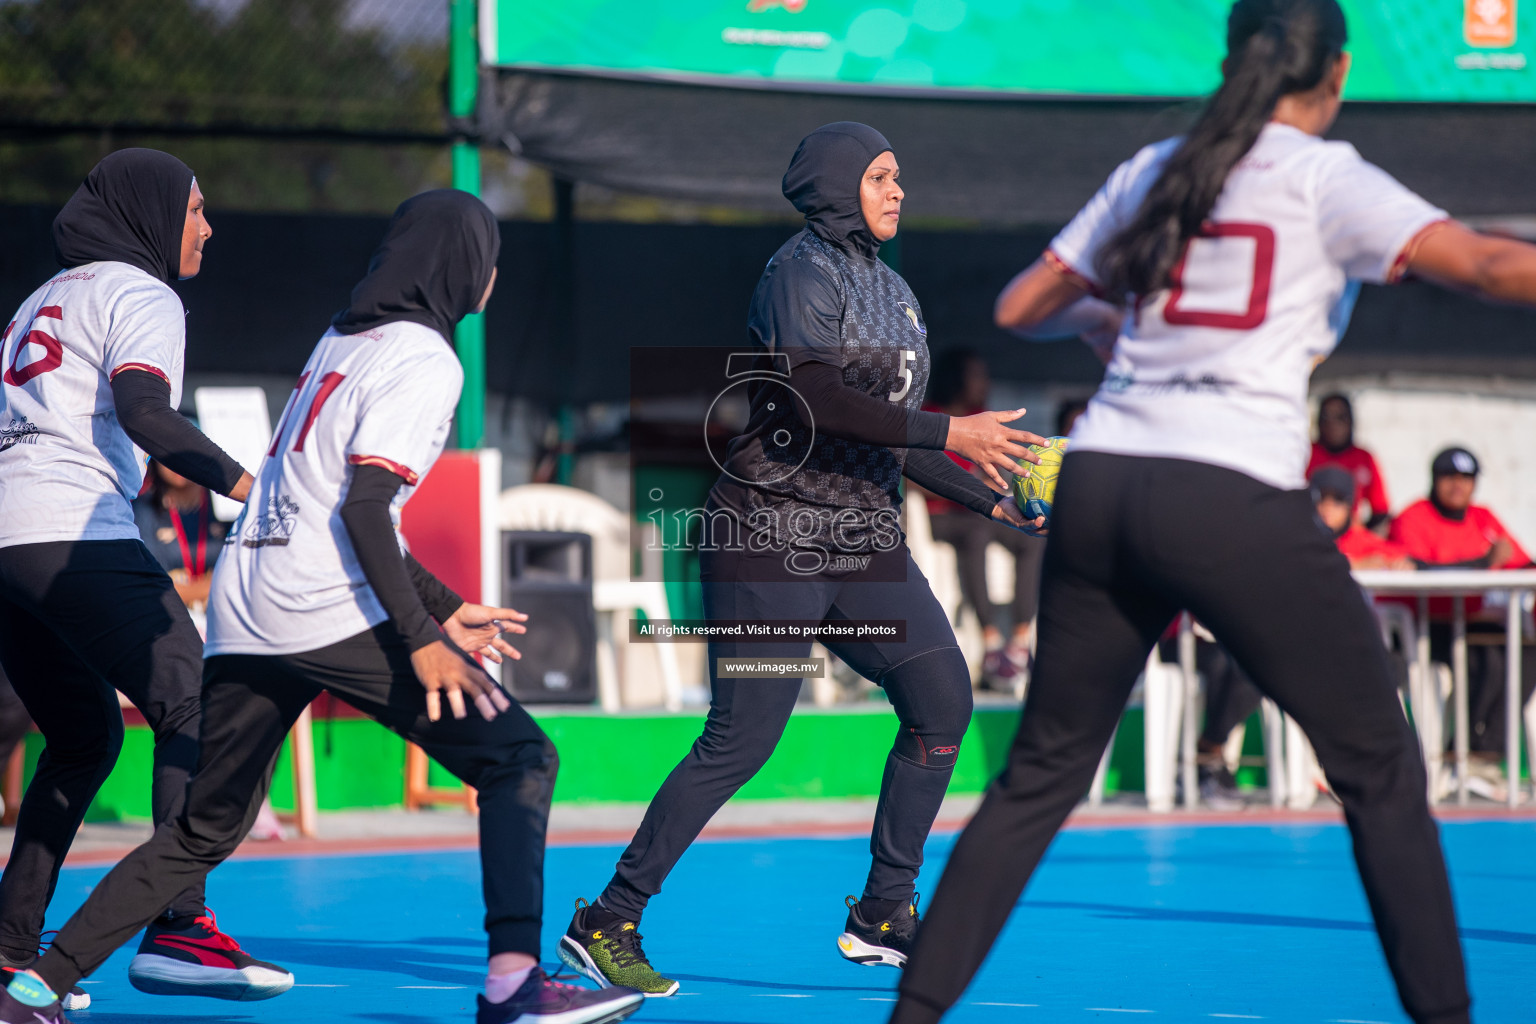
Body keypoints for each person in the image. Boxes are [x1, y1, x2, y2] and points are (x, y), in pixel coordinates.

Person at [888, 0, 1536, 1019]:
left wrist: (1116, 321)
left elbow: (1023, 306)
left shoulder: (1155, 166)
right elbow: (1494, 266)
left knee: (1039, 777)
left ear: (1232, 60)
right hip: (1226, 489)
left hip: (1101, 482)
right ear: (1340, 74)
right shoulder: (1326, 178)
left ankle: (912, 1012)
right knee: (1376, 763)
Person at [0, 190, 648, 1024]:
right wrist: (421, 636)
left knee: (203, 826)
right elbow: (364, 509)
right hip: (321, 608)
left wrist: (444, 606)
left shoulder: (339, 340)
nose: (492, 275)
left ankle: (33, 986)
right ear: (463, 267)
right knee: (519, 759)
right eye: (489, 257)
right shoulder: (427, 360)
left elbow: (314, 502)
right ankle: (515, 987)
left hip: (247, 606)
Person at [558, 122, 1046, 997]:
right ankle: (609, 918)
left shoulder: (893, 290)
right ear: (836, 183)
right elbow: (817, 397)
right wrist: (954, 431)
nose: (899, 191)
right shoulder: (798, 274)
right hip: (768, 533)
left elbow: (891, 428)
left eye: (901, 177)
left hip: (861, 537)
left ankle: (883, 911)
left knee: (942, 700)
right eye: (882, 177)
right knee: (742, 739)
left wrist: (996, 501)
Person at [0, 148, 286, 1012]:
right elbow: (145, 412)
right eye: (196, 208)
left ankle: (9, 941)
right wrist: (258, 487)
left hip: (8, 542)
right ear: (153, 213)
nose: (208, 225)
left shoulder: (35, 303)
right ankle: (179, 926)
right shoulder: (142, 292)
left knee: (86, 737)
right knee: (199, 703)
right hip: (69, 529)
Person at [133, 459, 286, 841]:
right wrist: (205, 583)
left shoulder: (229, 511)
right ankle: (203, 802)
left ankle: (247, 793)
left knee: (272, 679)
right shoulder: (140, 512)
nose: (174, 461)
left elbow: (245, 572)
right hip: (162, 628)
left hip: (222, 626)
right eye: (164, 452)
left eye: (183, 450)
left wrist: (191, 584)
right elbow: (150, 584)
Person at [1390, 447, 1536, 789]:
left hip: (1474, 621)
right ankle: (1463, 757)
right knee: (1487, 662)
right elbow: (1418, 569)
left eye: (1466, 478)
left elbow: (1520, 562)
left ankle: (1480, 755)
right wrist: (1484, 564)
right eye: (1450, 477)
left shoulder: (1482, 518)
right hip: (1428, 627)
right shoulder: (1413, 517)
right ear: (1435, 480)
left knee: (1527, 653)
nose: (1458, 486)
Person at [920, 349, 1045, 688]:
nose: (984, 383)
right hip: (940, 518)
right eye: (976, 374)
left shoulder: (982, 418)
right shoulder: (928, 416)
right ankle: (990, 641)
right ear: (955, 378)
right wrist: (970, 484)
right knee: (976, 532)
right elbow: (917, 480)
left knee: (1033, 537)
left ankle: (1019, 642)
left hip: (983, 512)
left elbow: (996, 475)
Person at [1308, 392, 1391, 530]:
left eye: (1340, 417)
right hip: (1310, 530)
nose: (1333, 424)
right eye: (1326, 417)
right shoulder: (1306, 454)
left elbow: (1381, 510)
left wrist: (1362, 536)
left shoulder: (1364, 458)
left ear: (1351, 421)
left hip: (1350, 536)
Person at [1312, 465, 1413, 569]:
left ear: (1349, 506)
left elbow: (1409, 558)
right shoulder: (1301, 537)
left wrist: (1399, 564)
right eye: (1321, 497)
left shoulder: (1360, 540)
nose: (1328, 506)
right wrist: (1353, 566)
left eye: (1338, 499)